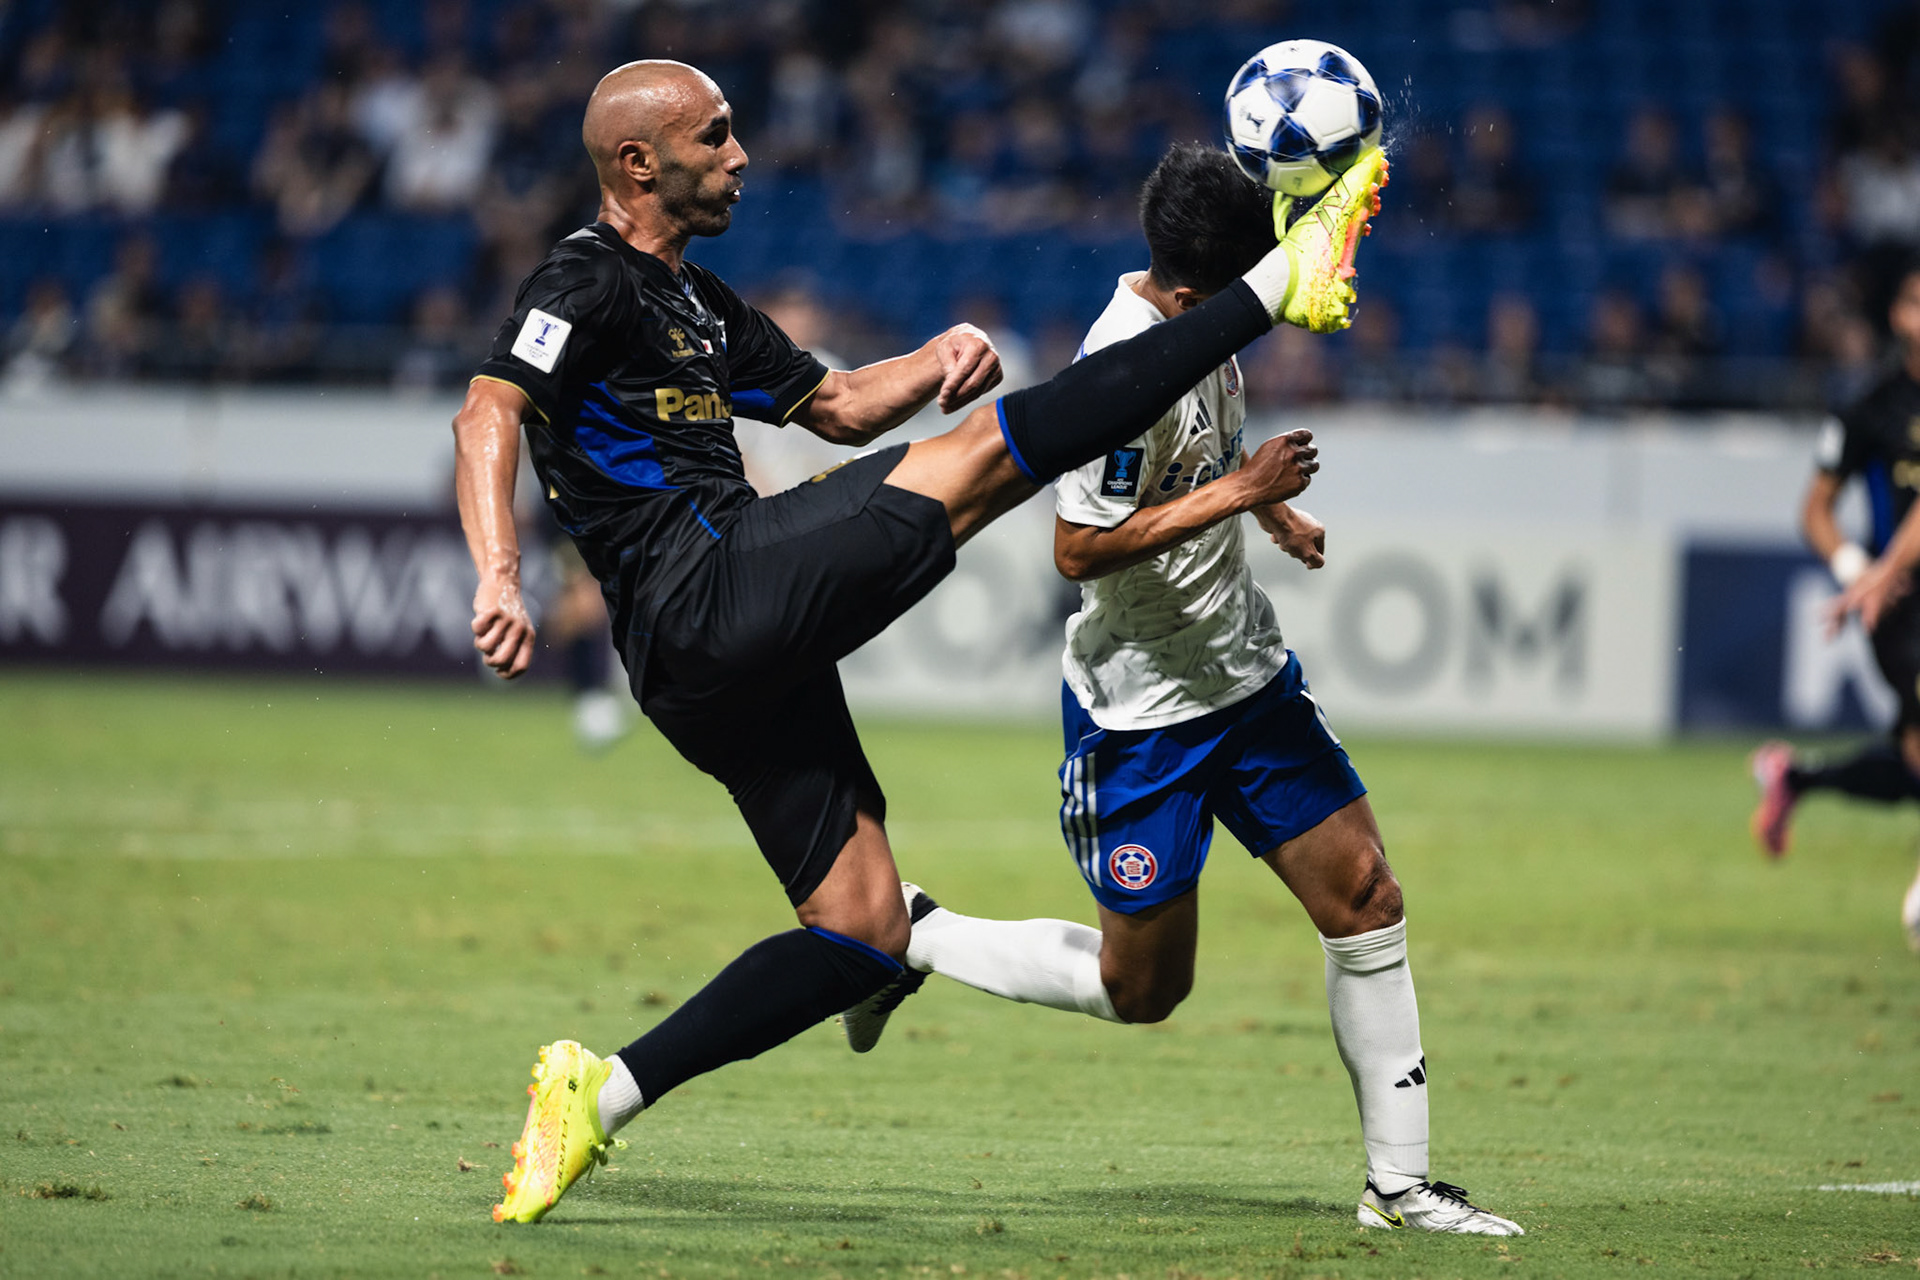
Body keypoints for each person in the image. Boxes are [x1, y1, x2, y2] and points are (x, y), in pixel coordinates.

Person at [454, 59, 1385, 1224]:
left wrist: (935, 363)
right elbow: (489, 408)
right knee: (1001, 458)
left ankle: (599, 1094)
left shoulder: (698, 301)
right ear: (638, 162)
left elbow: (838, 404)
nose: (741, 155)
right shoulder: (584, 280)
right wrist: (499, 570)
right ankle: (1274, 284)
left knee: (865, 932)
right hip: (714, 591)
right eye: (716, 136)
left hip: (709, 663)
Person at [846, 144, 1523, 1238]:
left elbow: (1206, 451)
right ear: (1201, 295)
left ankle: (1400, 1185)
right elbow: (1077, 545)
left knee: (1367, 896)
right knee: (1144, 987)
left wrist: (1264, 510)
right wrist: (1245, 491)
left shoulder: (1198, 318)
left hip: (1246, 676)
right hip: (1141, 714)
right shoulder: (1120, 367)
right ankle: (911, 935)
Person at [1752, 264, 1920, 951]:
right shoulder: (1871, 405)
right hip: (1902, 609)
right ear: (1899, 317)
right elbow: (1815, 510)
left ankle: (1799, 775)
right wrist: (1863, 572)